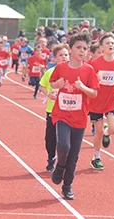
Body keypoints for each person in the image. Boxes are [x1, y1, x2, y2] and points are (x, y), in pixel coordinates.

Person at [50, 33, 99, 200]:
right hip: (62, 115)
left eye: (85, 48)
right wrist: (57, 85)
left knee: (74, 156)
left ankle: (67, 185)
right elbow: (52, 83)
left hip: (79, 118)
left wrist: (83, 87)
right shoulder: (61, 68)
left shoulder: (89, 70)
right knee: (63, 147)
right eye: (78, 47)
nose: (82, 51)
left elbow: (93, 93)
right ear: (70, 49)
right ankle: (60, 166)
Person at [89, 33, 114, 170]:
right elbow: (89, 80)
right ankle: (96, 158)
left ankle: (107, 133)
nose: (111, 45)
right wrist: (95, 80)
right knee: (97, 133)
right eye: (107, 43)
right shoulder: (95, 63)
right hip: (96, 101)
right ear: (101, 47)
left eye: (112, 43)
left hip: (112, 100)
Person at [39, 44, 70, 172]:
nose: (64, 57)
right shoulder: (49, 72)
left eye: (66, 55)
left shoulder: (73, 72)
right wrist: (48, 94)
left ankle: (64, 162)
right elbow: (42, 86)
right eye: (61, 55)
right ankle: (51, 158)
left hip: (68, 111)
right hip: (52, 111)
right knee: (50, 138)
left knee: (65, 140)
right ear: (55, 58)